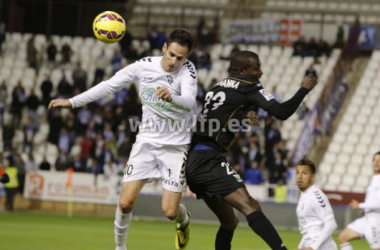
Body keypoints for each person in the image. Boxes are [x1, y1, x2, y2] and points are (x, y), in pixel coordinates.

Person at [48, 28, 197, 250]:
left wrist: (171, 96)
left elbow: (189, 101)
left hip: (175, 148)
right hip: (146, 142)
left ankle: (183, 221)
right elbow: (109, 85)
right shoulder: (142, 66)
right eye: (172, 54)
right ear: (164, 48)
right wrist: (72, 102)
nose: (174, 61)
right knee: (125, 203)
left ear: (187, 58)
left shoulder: (188, 71)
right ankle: (120, 247)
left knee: (170, 212)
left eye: (180, 58)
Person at [186, 50, 317, 250]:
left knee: (230, 222)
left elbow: (219, 115)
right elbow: (281, 113)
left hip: (194, 159)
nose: (261, 72)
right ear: (242, 70)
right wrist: (303, 90)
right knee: (251, 206)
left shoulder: (217, 86)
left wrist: (245, 114)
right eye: (256, 68)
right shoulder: (250, 86)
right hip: (209, 159)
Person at [338, 151, 380, 250]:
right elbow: (374, 199)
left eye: (379, 160)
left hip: (376, 221)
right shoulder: (375, 178)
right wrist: (366, 209)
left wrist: (360, 205)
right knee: (343, 237)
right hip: (367, 218)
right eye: (375, 160)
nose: (376, 162)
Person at [296, 158, 337, 250]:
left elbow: (331, 223)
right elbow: (308, 229)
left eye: (304, 173)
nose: (299, 176)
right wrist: (300, 246)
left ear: (312, 177)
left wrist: (313, 247)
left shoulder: (316, 196)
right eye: (297, 172)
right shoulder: (304, 195)